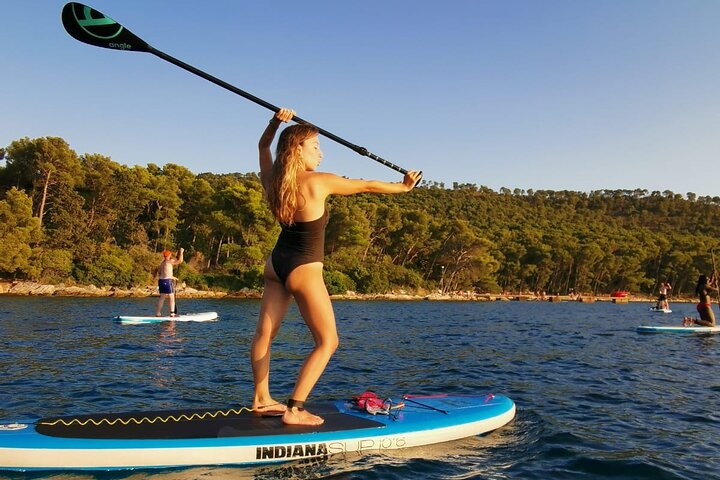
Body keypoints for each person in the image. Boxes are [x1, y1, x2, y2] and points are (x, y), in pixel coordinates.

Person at [251, 108, 421, 426]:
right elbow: (367, 185)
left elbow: (263, 147)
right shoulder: (318, 182)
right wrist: (403, 187)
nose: (321, 152)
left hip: (276, 265)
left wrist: (275, 123)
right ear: (298, 149)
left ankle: (261, 399)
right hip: (304, 268)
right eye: (315, 146)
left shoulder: (274, 181)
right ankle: (295, 409)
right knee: (328, 342)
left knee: (265, 334)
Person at [155, 248, 184, 317]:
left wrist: (173, 277)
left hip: (161, 281)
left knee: (162, 297)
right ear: (169, 255)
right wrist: (181, 252)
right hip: (167, 281)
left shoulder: (162, 263)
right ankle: (172, 313)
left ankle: (158, 313)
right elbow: (180, 261)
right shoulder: (170, 261)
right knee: (171, 297)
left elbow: (162, 273)